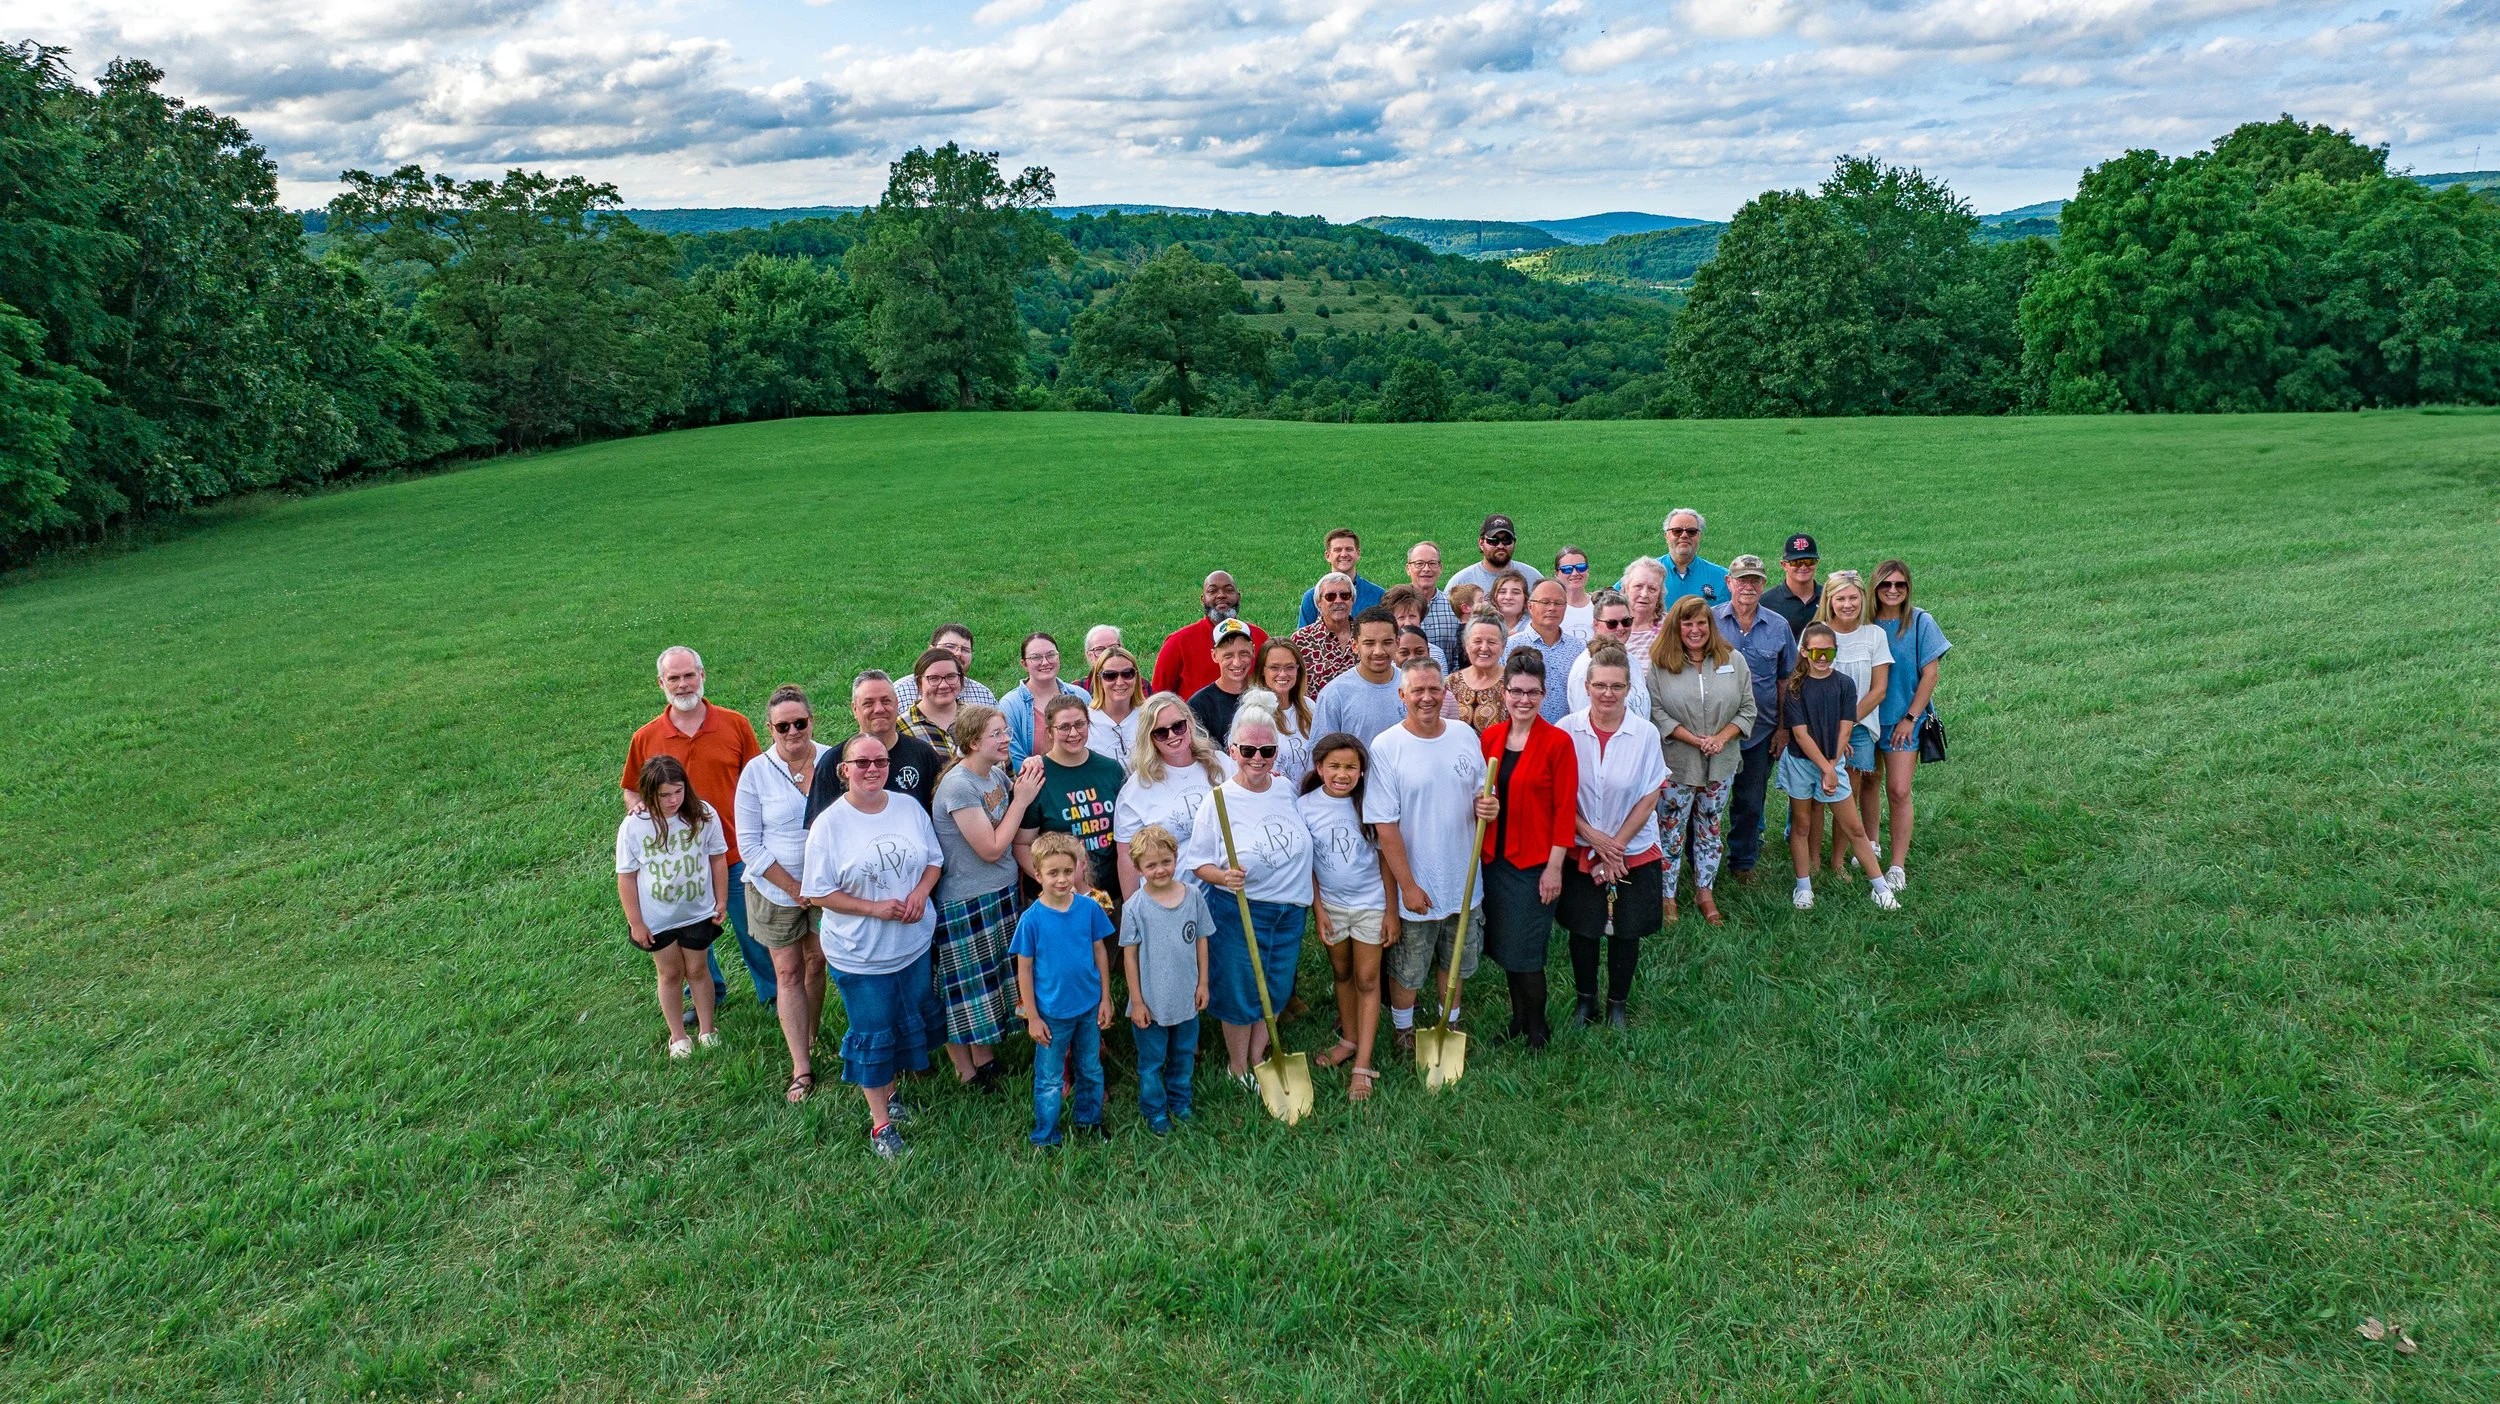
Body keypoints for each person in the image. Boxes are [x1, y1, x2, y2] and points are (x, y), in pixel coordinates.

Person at [802, 734, 948, 1161]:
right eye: (861, 763)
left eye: (880, 762)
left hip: (912, 942)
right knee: (872, 1031)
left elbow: (934, 859)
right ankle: (880, 1121)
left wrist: (921, 893)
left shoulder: (906, 807)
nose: (872, 769)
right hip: (861, 951)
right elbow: (817, 892)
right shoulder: (829, 825)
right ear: (842, 769)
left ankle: (893, 1090)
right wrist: (873, 908)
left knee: (905, 1019)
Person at [621, 646, 773, 1011]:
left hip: (733, 853)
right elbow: (630, 787)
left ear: (702, 676)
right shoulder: (646, 737)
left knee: (753, 929)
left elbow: (757, 779)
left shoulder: (734, 723)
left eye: (689, 675)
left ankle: (773, 994)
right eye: (674, 678)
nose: (683, 684)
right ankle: (708, 992)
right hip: (676, 862)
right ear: (661, 684)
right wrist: (638, 808)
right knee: (692, 933)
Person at [1180, 692, 1316, 1086]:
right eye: (1249, 750)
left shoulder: (1287, 788)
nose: (1258, 759)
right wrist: (1223, 877)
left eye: (1267, 750)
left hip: (1290, 911)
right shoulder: (1219, 801)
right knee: (1240, 989)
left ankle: (1260, 1056)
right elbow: (1198, 862)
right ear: (1233, 750)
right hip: (1240, 910)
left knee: (1274, 985)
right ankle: (1237, 1065)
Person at [1367, 660, 1499, 1057]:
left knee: (1454, 959)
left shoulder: (1463, 735)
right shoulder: (1387, 746)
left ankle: (1448, 1020)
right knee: (1410, 965)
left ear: (1446, 693)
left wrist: (1490, 806)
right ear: (1402, 695)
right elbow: (1385, 826)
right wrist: (1407, 885)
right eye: (1417, 690)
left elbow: (1482, 793)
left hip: (1464, 877)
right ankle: (1404, 1030)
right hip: (1419, 881)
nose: (1427, 697)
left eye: (1434, 689)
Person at [929, 704, 1042, 1093]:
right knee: (968, 987)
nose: (1006, 738)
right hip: (967, 900)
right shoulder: (959, 786)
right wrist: (1021, 799)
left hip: (1000, 892)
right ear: (974, 741)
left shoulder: (993, 773)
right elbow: (992, 847)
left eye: (1006, 731)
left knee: (993, 978)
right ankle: (968, 1072)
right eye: (997, 734)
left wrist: (1028, 779)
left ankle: (986, 1059)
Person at [1558, 647, 1665, 1030]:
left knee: (1626, 928)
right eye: (1600, 685)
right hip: (1582, 847)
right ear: (1586, 686)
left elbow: (1650, 793)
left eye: (1616, 686)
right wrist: (1593, 839)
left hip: (1631, 849)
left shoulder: (1645, 733)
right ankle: (1585, 1002)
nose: (1608, 693)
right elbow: (1559, 795)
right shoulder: (1566, 730)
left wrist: (1615, 846)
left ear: (1628, 687)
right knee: (1583, 928)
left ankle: (1618, 1003)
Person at [1477, 649, 1578, 1050]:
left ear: (1543, 693)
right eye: (1516, 691)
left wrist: (1554, 868)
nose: (1523, 700)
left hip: (1534, 863)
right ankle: (1517, 1019)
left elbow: (1565, 809)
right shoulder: (1491, 738)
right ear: (1504, 693)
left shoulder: (1557, 743)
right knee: (1505, 948)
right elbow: (1480, 794)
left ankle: (1538, 1029)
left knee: (1527, 952)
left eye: (1532, 693)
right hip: (1494, 861)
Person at [734, 686, 830, 1100]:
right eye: (783, 725)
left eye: (800, 722)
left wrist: (821, 885)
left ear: (812, 720)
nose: (793, 731)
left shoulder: (832, 760)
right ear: (769, 729)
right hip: (777, 890)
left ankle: (811, 1034)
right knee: (788, 971)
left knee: (817, 964)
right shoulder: (755, 772)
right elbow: (749, 845)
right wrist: (794, 887)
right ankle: (801, 1067)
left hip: (828, 888)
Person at [1648, 597, 1756, 927]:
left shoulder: (1733, 661)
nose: (1695, 630)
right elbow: (1656, 711)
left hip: (1720, 763)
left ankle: (1704, 892)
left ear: (1711, 626)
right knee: (1671, 832)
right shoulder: (1659, 664)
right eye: (1687, 623)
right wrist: (1693, 740)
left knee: (1710, 828)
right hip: (1677, 765)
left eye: (1701, 623)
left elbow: (1748, 709)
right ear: (1675, 627)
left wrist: (1721, 738)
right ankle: (1666, 895)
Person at [1300, 733, 1396, 1102]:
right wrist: (1318, 908)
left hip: (1371, 904)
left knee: (1368, 979)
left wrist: (1391, 911)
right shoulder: (1306, 806)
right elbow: (1306, 863)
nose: (1342, 774)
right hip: (1333, 907)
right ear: (1320, 768)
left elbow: (1385, 859)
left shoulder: (1369, 803)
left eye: (1351, 767)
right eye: (1335, 766)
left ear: (1361, 771)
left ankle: (1364, 1063)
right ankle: (1349, 1039)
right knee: (1341, 973)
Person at [1778, 624, 1901, 912]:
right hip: (1801, 764)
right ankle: (1803, 885)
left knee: (1854, 827)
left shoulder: (1845, 684)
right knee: (1802, 824)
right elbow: (1800, 735)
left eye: (1829, 652)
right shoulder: (1795, 687)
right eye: (1817, 652)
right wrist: (1826, 769)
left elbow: (1846, 728)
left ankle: (1880, 888)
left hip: (1834, 762)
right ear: (1805, 652)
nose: (1823, 658)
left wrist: (1833, 766)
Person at [616, 755, 729, 1059]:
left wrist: (721, 900)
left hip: (697, 910)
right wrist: (636, 922)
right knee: (670, 973)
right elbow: (626, 877)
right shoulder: (634, 826)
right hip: (657, 918)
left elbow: (717, 857)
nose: (672, 800)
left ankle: (707, 1029)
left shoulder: (703, 814)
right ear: (649, 793)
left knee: (698, 968)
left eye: (678, 791)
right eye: (664, 795)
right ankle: (677, 1036)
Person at [1012, 833, 1115, 1147]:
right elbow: (1025, 969)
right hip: (1051, 1015)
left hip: (1087, 1008)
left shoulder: (1089, 909)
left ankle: (1089, 1123)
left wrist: (1106, 998)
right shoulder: (1031, 920)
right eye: (1053, 873)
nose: (1061, 880)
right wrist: (1032, 1016)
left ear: (1079, 870)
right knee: (1049, 1080)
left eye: (1067, 872)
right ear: (1038, 874)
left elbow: (1100, 952)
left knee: (1091, 1069)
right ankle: (1046, 1136)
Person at [1120, 825, 1212, 1135]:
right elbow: (1129, 957)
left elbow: (1201, 939)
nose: (1160, 870)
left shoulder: (1194, 896)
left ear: (1176, 858)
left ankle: (1181, 1102)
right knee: (1152, 1061)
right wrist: (1136, 1001)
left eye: (1166, 862)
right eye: (1151, 865)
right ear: (1138, 868)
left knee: (1184, 1054)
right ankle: (1156, 1110)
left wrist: (1203, 984)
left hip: (1186, 995)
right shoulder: (1134, 907)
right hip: (1151, 1002)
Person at [1712, 556, 1798, 884]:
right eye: (1741, 579)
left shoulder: (1778, 626)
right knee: (1708, 800)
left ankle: (1742, 862)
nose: (1748, 586)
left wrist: (1782, 728)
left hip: (1760, 733)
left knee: (1750, 802)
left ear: (1764, 584)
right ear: (1729, 583)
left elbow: (1784, 681)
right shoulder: (1711, 622)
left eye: (1755, 580)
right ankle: (1698, 857)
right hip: (1716, 733)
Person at [1870, 559, 1949, 893]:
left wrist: (1911, 718)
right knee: (1868, 782)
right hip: (1867, 717)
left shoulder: (1920, 622)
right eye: (1886, 584)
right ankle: (1870, 844)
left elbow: (1930, 673)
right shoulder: (1864, 621)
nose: (1892, 590)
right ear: (1875, 587)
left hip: (1904, 720)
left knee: (1899, 790)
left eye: (1899, 585)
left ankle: (1897, 865)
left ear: (1908, 588)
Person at [1114, 692, 1230, 895]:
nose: (1172, 736)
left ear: (1190, 722)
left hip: (1225, 893)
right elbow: (1127, 857)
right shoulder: (1137, 789)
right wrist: (1133, 909)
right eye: (1160, 732)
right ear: (1149, 738)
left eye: (1178, 726)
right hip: (1171, 900)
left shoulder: (1222, 764)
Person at [1014, 693, 1126, 902]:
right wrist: (1056, 882)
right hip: (1058, 898)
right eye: (1064, 727)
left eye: (1080, 724)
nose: (1073, 733)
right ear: (1049, 732)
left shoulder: (1110, 770)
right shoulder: (1036, 775)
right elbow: (1021, 845)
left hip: (1109, 893)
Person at [1818, 571, 1891, 873]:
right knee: (1815, 797)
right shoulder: (1818, 632)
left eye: (1853, 598)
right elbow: (1806, 682)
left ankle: (1837, 862)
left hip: (1859, 730)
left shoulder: (1874, 635)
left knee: (1847, 797)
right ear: (1830, 601)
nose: (1847, 604)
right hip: (1820, 728)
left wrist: (1847, 726)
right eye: (1840, 598)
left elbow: (1879, 689)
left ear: (1862, 598)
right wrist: (1833, 729)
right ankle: (1810, 862)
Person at [824, 670, 943, 813]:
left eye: (886, 701)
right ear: (855, 709)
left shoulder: (923, 754)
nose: (879, 709)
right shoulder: (833, 761)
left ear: (897, 704)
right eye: (868, 703)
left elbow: (939, 817)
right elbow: (820, 825)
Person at [1152, 571, 1269, 700]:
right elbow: (1158, 697)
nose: (1221, 595)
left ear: (1238, 597)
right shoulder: (1178, 642)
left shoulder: (1260, 637)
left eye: (1228, 590)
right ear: (1203, 599)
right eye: (1212, 591)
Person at [1312, 605, 1405, 741]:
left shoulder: (1412, 686)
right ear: (1355, 646)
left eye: (1387, 642)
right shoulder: (1334, 695)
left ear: (1397, 643)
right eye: (1369, 643)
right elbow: (1320, 752)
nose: (1378, 651)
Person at [1002, 632, 1088, 770]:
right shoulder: (1010, 705)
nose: (1045, 662)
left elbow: (1095, 740)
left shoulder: (1081, 696)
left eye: (1051, 655)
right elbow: (1014, 757)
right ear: (1024, 664)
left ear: (1058, 657)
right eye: (1036, 657)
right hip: (1037, 783)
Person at [1508, 580, 1586, 723]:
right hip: (1523, 732)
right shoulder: (1510, 647)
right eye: (1545, 602)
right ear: (1530, 606)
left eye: (1558, 603)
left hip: (1567, 732)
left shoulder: (1578, 649)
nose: (1552, 608)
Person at [1567, 590, 1651, 719]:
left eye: (1626, 621)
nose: (1621, 628)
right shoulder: (1586, 667)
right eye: (1612, 623)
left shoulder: (1631, 660)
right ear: (1596, 624)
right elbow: (1585, 722)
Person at [1188, 617, 1262, 743]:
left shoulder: (1265, 695)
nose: (1237, 663)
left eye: (1243, 653)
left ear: (1253, 651)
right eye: (1228, 655)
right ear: (1214, 656)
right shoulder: (1199, 704)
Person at [894, 624, 998, 711]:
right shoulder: (900, 692)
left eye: (965, 650)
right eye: (950, 646)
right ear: (931, 650)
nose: (958, 653)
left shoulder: (984, 696)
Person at [1257, 639, 1317, 788]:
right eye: (1274, 667)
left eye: (1290, 667)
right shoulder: (1252, 712)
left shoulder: (1310, 707)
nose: (1282, 674)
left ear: (1298, 669)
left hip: (1308, 798)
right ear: (1262, 671)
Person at [1297, 527, 1387, 627]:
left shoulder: (1378, 595)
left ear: (1358, 553)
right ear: (1327, 556)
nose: (1344, 554)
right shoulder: (1312, 597)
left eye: (1349, 549)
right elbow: (1302, 638)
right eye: (1337, 550)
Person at [1290, 572, 1362, 693]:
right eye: (1330, 596)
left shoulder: (1365, 636)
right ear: (1319, 603)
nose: (1338, 601)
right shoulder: (1301, 640)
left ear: (1352, 600)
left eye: (1344, 595)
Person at [1449, 513, 1544, 595]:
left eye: (1507, 540)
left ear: (1514, 542)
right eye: (1493, 541)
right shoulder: (1462, 581)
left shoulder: (1532, 577)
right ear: (1481, 543)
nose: (1500, 546)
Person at [902, 648, 969, 760]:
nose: (943, 685)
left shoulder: (980, 719)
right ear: (919, 683)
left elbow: (1004, 769)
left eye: (951, 676)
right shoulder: (901, 729)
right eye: (934, 678)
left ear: (961, 679)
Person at [1085, 645, 1144, 766]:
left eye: (1127, 673)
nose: (1120, 682)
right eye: (1110, 675)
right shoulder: (1085, 721)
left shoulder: (1150, 716)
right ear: (1099, 679)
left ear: (1136, 677)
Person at [1447, 614, 1508, 731]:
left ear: (1503, 646)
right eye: (1477, 641)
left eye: (1492, 642)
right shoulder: (1450, 683)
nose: (1484, 648)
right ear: (1466, 646)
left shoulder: (1513, 683)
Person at [1403, 541, 1463, 659]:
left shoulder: (1453, 606)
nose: (1426, 569)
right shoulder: (1395, 606)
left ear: (1440, 568)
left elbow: (1459, 655)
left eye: (1432, 563)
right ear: (1408, 568)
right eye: (1419, 563)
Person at [1659, 508, 1729, 605]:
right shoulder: (1647, 574)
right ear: (1666, 536)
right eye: (1677, 531)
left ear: (1699, 536)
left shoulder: (1722, 578)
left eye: (1691, 531)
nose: (1684, 535)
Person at [1761, 535, 1823, 635]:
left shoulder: (1830, 597)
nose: (1803, 567)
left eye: (1809, 561)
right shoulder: (1766, 602)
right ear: (1784, 565)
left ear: (1816, 563)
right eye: (1796, 562)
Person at [1381, 585, 1450, 670]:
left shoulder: (1437, 654)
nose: (1408, 623)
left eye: (1412, 616)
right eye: (1401, 618)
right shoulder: (1383, 654)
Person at [1623, 557, 1668, 659]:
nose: (1644, 594)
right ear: (1626, 588)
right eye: (1638, 586)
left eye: (1652, 589)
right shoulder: (1612, 625)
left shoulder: (1670, 626)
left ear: (1660, 594)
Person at [1553, 545, 1596, 640]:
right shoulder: (1551, 609)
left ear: (1587, 570)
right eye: (1567, 569)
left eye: (1581, 567)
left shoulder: (1599, 605)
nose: (1575, 573)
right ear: (1556, 574)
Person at [1487, 569, 1531, 638]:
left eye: (1515, 593)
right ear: (1494, 597)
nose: (1508, 597)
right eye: (1502, 592)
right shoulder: (1483, 624)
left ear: (1525, 599)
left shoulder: (1532, 628)